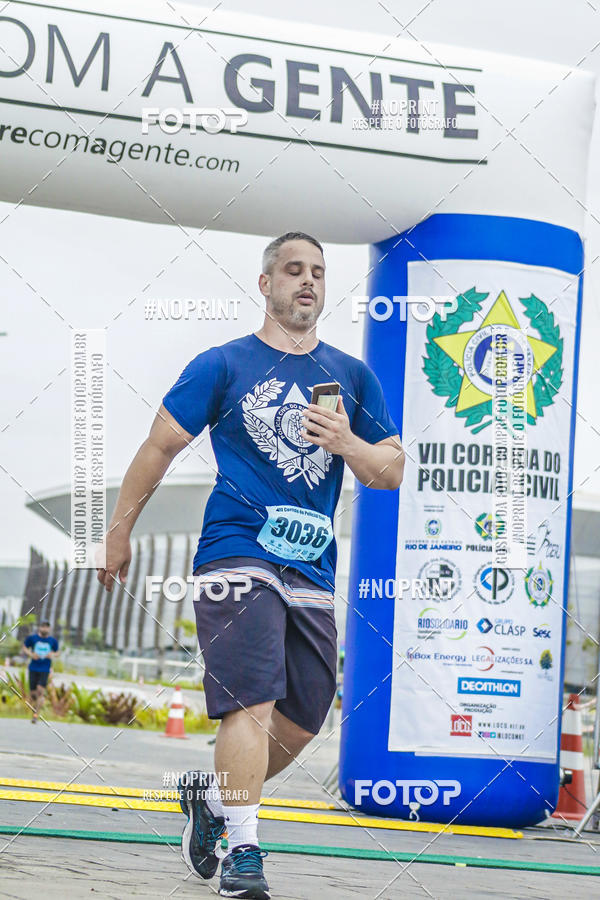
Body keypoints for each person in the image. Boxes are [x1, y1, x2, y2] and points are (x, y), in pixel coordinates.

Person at [97, 232, 404, 899]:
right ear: (266, 284)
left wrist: (348, 442)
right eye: (293, 270)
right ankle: (244, 853)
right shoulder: (224, 364)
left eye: (318, 272)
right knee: (253, 694)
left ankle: (212, 800)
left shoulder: (352, 376)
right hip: (237, 550)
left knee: (305, 713)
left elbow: (391, 471)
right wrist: (118, 533)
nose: (308, 281)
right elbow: (158, 448)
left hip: (312, 565)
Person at [22, 620, 59, 723]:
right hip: (33, 668)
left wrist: (52, 655)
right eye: (43, 626)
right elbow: (24, 647)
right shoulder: (32, 638)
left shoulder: (53, 641)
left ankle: (35, 715)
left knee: (40, 691)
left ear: (49, 629)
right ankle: (37, 704)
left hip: (45, 669)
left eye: (47, 627)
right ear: (39, 628)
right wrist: (31, 654)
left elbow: (57, 652)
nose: (44, 628)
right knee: (33, 693)